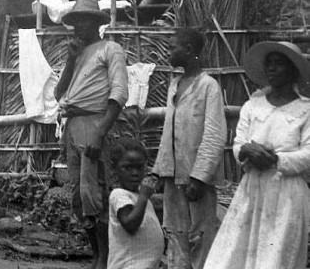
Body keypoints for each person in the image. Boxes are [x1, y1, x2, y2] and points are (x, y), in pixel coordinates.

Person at [203, 41, 310, 269]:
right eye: (269, 64)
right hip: (252, 190)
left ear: (293, 70)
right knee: (234, 254)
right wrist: (246, 150)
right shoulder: (253, 105)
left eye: (279, 64)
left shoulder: (305, 110)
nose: (272, 69)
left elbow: (307, 155)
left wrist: (275, 159)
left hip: (286, 193)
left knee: (275, 258)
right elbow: (238, 142)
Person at [55, 0, 129, 269]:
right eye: (75, 22)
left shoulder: (111, 49)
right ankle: (96, 253)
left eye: (84, 21)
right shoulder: (78, 54)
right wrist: (70, 61)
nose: (78, 27)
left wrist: (100, 133)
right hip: (73, 126)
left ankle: (106, 258)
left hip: (94, 124)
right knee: (77, 195)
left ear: (96, 23)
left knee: (93, 192)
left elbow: (119, 93)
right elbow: (58, 93)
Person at [151, 28, 226, 269]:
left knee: (200, 237)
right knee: (174, 234)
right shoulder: (175, 85)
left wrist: (199, 177)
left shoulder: (208, 87)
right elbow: (168, 132)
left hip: (196, 180)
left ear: (189, 50)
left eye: (173, 48)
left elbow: (214, 135)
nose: (168, 53)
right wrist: (160, 171)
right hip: (173, 176)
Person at [107, 138, 164, 269]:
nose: (135, 173)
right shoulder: (118, 195)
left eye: (139, 167)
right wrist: (144, 197)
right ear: (114, 169)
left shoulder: (139, 196)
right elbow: (130, 224)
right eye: (127, 168)